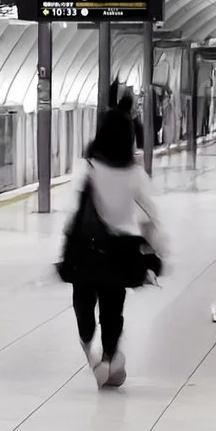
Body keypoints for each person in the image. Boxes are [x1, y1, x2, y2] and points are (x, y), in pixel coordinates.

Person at [61, 104, 164, 387]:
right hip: (120, 252)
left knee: (84, 307)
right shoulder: (135, 174)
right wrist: (157, 251)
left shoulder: (86, 168)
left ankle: (92, 354)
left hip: (85, 250)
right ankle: (109, 357)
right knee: (112, 310)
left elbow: (73, 208)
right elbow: (150, 216)